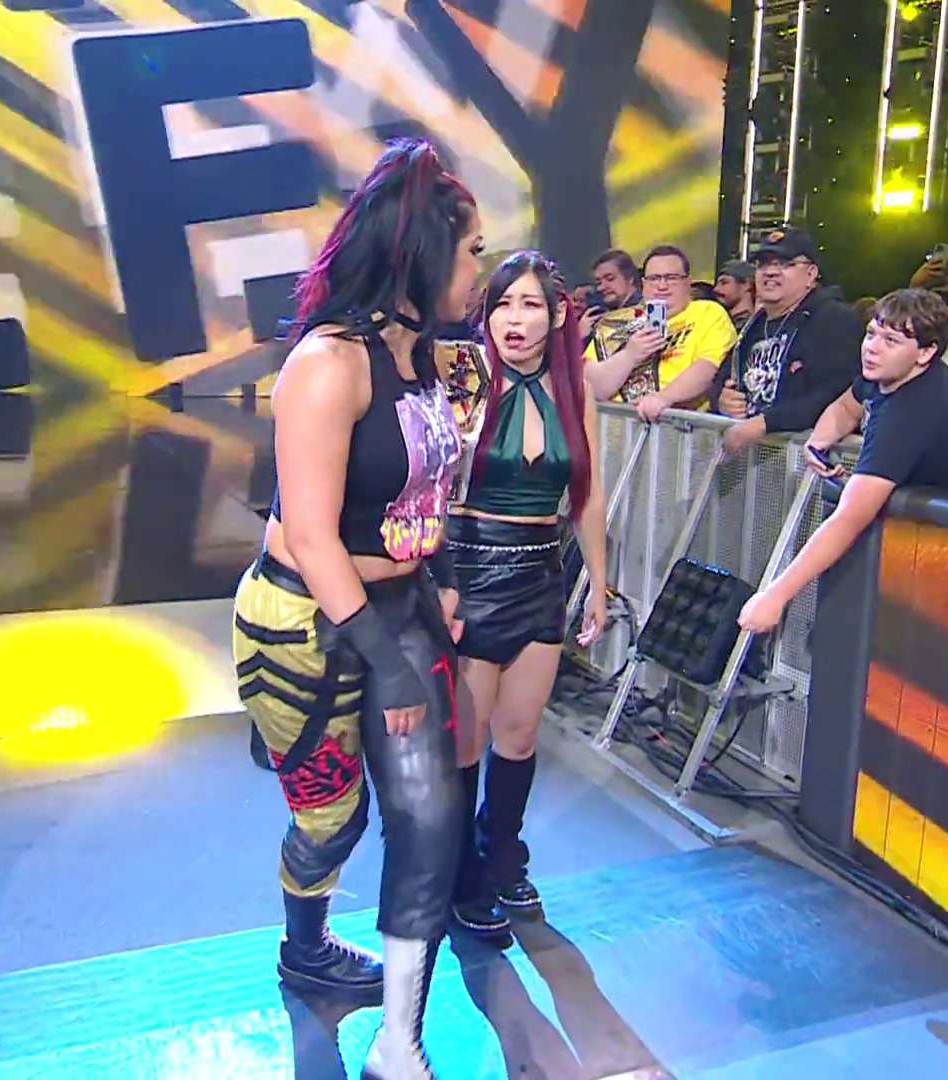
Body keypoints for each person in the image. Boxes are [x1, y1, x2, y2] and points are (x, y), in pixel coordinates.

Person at [228, 139, 478, 1080]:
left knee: (430, 814)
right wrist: (391, 659)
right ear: (422, 252)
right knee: (331, 821)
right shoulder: (329, 362)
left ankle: (399, 1041)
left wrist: (438, 572)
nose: (481, 270)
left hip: (397, 605)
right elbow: (312, 532)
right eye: (472, 250)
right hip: (308, 620)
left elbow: (422, 489)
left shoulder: (423, 358)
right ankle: (306, 948)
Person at [446, 252, 607, 937]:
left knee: (518, 735)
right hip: (471, 568)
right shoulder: (464, 381)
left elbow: (587, 494)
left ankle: (503, 854)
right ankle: (458, 873)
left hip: (542, 571)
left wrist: (600, 581)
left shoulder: (576, 391)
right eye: (502, 304)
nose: (513, 319)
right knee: (467, 739)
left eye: (530, 304)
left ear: (558, 315)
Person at [738, 289, 948, 634]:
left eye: (891, 341)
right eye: (872, 333)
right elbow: (846, 406)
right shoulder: (884, 376)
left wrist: (776, 595)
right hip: (926, 542)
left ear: (926, 353)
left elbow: (851, 516)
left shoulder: (914, 412)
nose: (872, 347)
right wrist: (819, 440)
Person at [711, 228, 865, 452]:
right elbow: (720, 377)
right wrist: (722, 399)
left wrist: (766, 423)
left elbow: (838, 394)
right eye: (763, 264)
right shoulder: (755, 325)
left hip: (805, 461)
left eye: (784, 263)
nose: (770, 272)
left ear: (811, 274)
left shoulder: (834, 320)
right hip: (751, 457)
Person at [585, 244, 738, 418]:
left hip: (680, 427)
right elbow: (592, 387)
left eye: (671, 278)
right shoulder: (614, 323)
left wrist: (664, 398)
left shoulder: (708, 313)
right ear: (643, 284)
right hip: (617, 428)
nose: (662, 286)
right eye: (654, 278)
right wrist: (629, 356)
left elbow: (708, 368)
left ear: (688, 282)